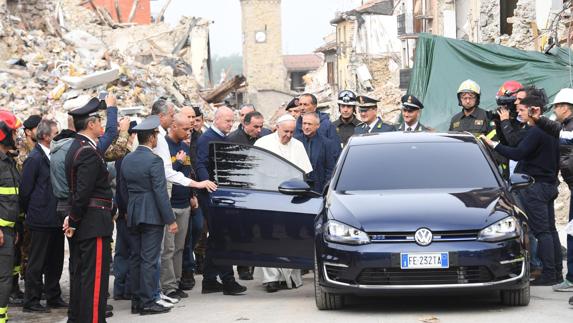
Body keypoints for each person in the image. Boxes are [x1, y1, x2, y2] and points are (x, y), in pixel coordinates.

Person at [481, 86, 562, 286]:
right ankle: (556, 273)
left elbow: (518, 153)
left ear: (534, 110)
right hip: (548, 185)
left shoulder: (537, 132)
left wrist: (493, 145)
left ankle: (550, 274)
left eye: (523, 110)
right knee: (549, 231)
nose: (520, 113)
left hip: (536, 187)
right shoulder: (549, 129)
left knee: (542, 232)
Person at [122, 116, 179, 316]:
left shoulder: (127, 159)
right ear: (153, 138)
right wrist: (170, 219)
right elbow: (160, 192)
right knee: (150, 259)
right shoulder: (154, 160)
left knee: (137, 257)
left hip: (134, 212)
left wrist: (127, 210)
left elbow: (123, 190)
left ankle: (137, 300)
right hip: (152, 213)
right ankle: (148, 301)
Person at [64, 102, 115, 323]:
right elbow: (82, 192)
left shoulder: (78, 147)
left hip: (86, 222)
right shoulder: (87, 151)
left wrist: (72, 218)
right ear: (91, 124)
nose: (101, 125)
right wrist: (73, 220)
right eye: (99, 121)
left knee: (82, 278)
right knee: (94, 282)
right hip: (93, 223)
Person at [254, 114, 312, 292]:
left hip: (291, 198)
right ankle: (271, 279)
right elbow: (255, 174)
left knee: (290, 237)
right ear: (276, 128)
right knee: (268, 237)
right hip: (268, 197)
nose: (288, 135)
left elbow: (304, 173)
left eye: (292, 132)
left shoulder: (298, 145)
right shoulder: (262, 144)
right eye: (285, 131)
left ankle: (290, 277)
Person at [196, 106, 247, 295]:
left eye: (232, 121)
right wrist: (206, 183)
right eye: (227, 120)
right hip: (213, 195)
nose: (230, 124)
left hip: (222, 194)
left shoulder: (222, 138)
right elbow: (200, 163)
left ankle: (209, 280)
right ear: (216, 120)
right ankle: (228, 281)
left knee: (216, 238)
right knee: (223, 237)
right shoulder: (206, 138)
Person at [20, 119, 67, 313]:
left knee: (55, 260)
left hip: (56, 217)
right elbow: (25, 190)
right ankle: (31, 300)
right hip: (40, 218)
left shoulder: (54, 155)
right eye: (55, 134)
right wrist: (32, 211)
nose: (58, 137)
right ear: (46, 137)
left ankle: (53, 296)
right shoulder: (35, 158)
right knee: (37, 261)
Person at [530, 88, 573, 292]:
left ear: (566, 107)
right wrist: (538, 119)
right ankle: (570, 277)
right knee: (569, 232)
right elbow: (554, 129)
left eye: (557, 106)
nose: (554, 109)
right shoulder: (565, 126)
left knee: (571, 233)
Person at [160, 113, 195, 299]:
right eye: (185, 128)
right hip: (170, 205)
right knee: (168, 249)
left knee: (180, 248)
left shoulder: (184, 146)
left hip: (184, 204)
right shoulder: (163, 146)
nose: (189, 132)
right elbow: (166, 175)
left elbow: (188, 174)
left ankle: (177, 281)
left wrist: (192, 194)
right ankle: (168, 286)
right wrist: (178, 163)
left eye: (190, 129)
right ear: (173, 126)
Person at [0, 111, 23, 323]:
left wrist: (13, 229)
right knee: (2, 279)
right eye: (14, 132)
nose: (17, 137)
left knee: (5, 279)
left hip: (7, 231)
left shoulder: (8, 161)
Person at [112, 121, 138, 301]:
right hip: (126, 210)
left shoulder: (121, 155)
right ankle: (127, 288)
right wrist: (126, 208)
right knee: (130, 250)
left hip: (120, 210)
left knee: (122, 250)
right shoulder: (126, 156)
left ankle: (120, 288)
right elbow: (123, 187)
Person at [294, 112, 340, 192]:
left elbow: (330, 169)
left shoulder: (326, 143)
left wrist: (325, 190)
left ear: (317, 126)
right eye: (304, 123)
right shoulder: (295, 141)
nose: (306, 127)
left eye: (309, 124)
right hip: (298, 187)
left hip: (318, 189)